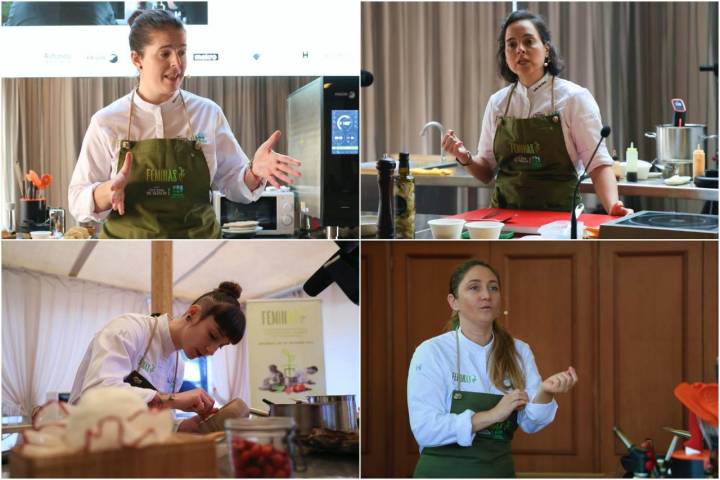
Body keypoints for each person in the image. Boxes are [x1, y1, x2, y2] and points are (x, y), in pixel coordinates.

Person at [68, 9, 301, 238]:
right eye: (165, 53)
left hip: (197, 246)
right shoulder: (106, 121)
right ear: (136, 59)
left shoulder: (207, 113)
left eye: (181, 52)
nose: (177, 64)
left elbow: (234, 184)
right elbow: (77, 200)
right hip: (129, 252)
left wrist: (254, 171)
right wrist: (108, 190)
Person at [442, 10, 631, 215]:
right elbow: (487, 171)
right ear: (505, 55)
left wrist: (612, 205)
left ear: (546, 49)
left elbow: (598, 163)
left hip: (560, 221)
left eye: (528, 41)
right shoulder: (497, 103)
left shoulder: (574, 98)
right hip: (504, 220)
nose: (520, 49)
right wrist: (464, 157)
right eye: (512, 44)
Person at [407, 260, 578, 477]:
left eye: (493, 287)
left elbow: (531, 424)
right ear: (453, 302)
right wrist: (493, 414)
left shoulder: (519, 350)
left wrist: (546, 392)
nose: (486, 295)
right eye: (474, 287)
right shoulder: (432, 352)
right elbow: (425, 430)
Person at [69, 281, 246, 433]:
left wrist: (181, 426)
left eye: (221, 346)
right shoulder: (130, 329)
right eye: (213, 336)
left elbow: (156, 421)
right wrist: (172, 400)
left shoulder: (178, 366)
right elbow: (95, 394)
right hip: (84, 444)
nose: (211, 350)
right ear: (193, 313)